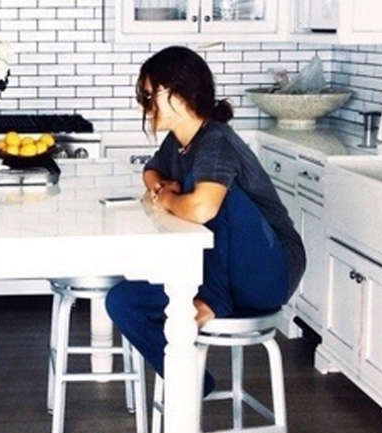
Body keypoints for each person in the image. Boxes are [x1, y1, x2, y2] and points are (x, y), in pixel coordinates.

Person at [105, 46, 306, 396]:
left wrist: (168, 198)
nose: (143, 105)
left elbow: (202, 210)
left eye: (150, 95)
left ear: (178, 94)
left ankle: (214, 301)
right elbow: (150, 170)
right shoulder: (179, 142)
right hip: (223, 275)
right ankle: (194, 383)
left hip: (270, 271)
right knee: (121, 301)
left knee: (216, 195)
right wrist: (160, 185)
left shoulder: (216, 140)